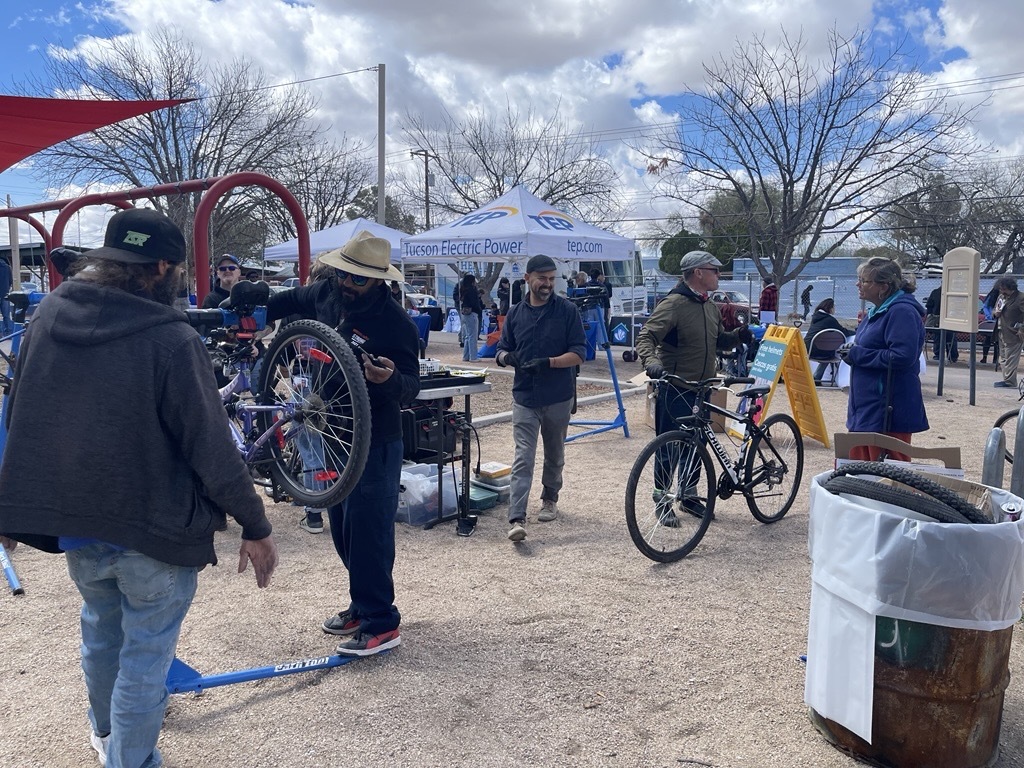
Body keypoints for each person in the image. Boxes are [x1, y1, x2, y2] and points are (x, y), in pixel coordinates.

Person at [0, 208, 278, 768]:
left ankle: (108, 738)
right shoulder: (171, 339)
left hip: (78, 523)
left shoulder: (47, 317)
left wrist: (11, 509)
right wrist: (255, 523)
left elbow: (19, 414)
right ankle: (128, 759)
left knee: (102, 637)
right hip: (153, 527)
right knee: (145, 660)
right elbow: (210, 444)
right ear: (161, 268)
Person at [265, 230, 420, 655]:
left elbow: (412, 387)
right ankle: (360, 604)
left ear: (379, 280)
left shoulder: (396, 324)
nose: (347, 283)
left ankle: (381, 622)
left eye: (358, 279)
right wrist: (251, 305)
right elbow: (287, 300)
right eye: (343, 274)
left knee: (370, 532)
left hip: (375, 439)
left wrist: (389, 380)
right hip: (330, 433)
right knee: (344, 528)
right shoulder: (328, 293)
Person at [636, 250, 752, 520]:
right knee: (669, 448)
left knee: (697, 444)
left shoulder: (709, 306)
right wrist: (652, 363)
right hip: (676, 387)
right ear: (698, 272)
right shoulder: (674, 304)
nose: (719, 275)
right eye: (715, 270)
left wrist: (738, 335)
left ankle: (688, 496)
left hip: (703, 389)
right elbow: (646, 337)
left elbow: (719, 341)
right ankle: (662, 500)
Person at [496, 254, 586, 542]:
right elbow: (500, 350)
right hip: (524, 396)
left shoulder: (567, 311)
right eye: (542, 279)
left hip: (558, 395)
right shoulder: (515, 314)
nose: (548, 284)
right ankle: (516, 517)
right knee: (523, 456)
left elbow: (579, 353)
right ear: (527, 279)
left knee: (555, 454)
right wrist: (507, 357)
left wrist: (549, 362)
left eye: (551, 279)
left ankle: (550, 498)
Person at [841, 257, 927, 461]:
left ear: (884, 287)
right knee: (858, 471)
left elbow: (902, 356)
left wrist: (858, 354)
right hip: (868, 407)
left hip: (888, 409)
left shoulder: (902, 312)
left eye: (864, 281)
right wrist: (851, 351)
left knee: (889, 473)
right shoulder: (878, 311)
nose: (858, 284)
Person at [803, 298, 853, 383]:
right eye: (833, 307)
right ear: (830, 308)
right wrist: (857, 332)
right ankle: (822, 377)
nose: (834, 309)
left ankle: (817, 377)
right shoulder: (830, 320)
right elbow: (843, 332)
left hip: (807, 348)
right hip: (819, 351)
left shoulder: (816, 317)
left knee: (828, 349)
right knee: (831, 352)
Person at [993, 277, 1024, 389]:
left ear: (1011, 288)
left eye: (1004, 289)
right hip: (1001, 331)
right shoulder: (1001, 297)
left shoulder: (1021, 298)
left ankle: (1010, 381)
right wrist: (995, 313)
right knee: (1003, 357)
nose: (1002, 291)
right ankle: (1007, 379)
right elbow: (995, 310)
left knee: (1011, 358)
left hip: (1014, 333)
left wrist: (1022, 329)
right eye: (1001, 289)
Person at [924, 286, 958, 363]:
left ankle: (938, 355)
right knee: (950, 337)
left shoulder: (935, 292)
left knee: (938, 336)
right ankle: (952, 356)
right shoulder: (953, 293)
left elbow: (929, 306)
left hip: (937, 318)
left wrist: (931, 314)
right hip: (949, 318)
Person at [459, 273, 484, 362]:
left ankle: (466, 356)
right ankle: (473, 357)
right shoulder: (472, 291)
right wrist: (480, 308)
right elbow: (475, 303)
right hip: (472, 313)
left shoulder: (463, 290)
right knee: (473, 336)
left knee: (467, 336)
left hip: (464, 313)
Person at [981, 285, 1000, 366]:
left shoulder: (1003, 297)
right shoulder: (991, 297)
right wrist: (989, 317)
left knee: (997, 342)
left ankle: (995, 359)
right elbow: (985, 307)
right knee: (988, 339)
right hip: (990, 321)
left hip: (998, 322)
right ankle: (984, 357)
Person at [0, 254, 13, 334]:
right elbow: (10, 281)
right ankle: (9, 332)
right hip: (5, 294)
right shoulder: (7, 267)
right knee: (6, 315)